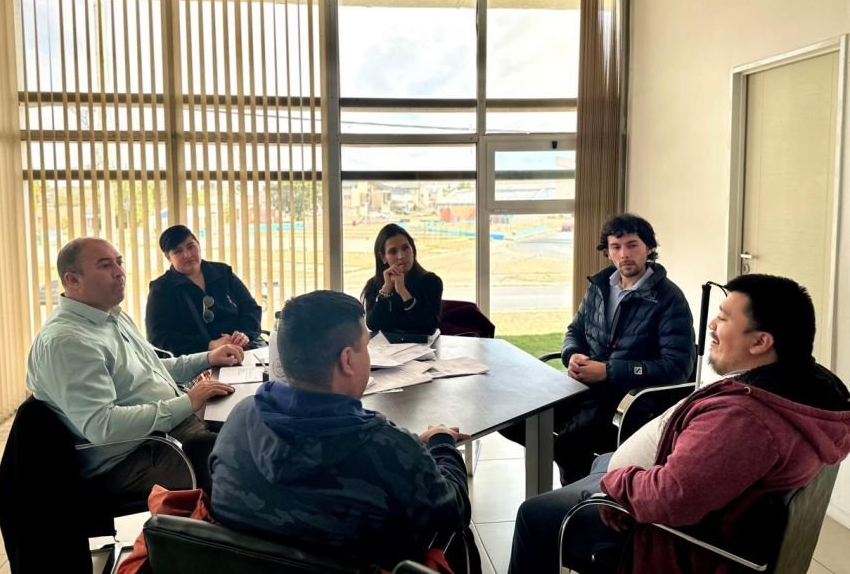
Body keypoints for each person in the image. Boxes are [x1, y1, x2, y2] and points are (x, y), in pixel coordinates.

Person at [509, 274, 850, 574]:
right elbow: (576, 332)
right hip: (658, 488)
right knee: (599, 458)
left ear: (761, 342)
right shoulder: (806, 386)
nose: (712, 326)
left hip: (663, 538)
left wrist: (619, 483)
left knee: (535, 515)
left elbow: (670, 498)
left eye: (724, 318)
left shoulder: (744, 421)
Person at [209, 290, 475, 571]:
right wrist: (441, 442)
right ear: (347, 360)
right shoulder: (389, 450)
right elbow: (454, 511)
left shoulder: (240, 420)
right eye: (366, 346)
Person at [27, 237, 244, 494]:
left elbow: (155, 369)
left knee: (247, 424)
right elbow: (103, 426)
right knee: (237, 462)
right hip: (133, 457)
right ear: (72, 280)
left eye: (119, 263)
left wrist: (208, 359)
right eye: (105, 265)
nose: (119, 273)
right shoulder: (69, 342)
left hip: (168, 431)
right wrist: (187, 402)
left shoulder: (111, 314)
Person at [502, 213, 694, 485]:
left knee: (569, 442)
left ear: (649, 248)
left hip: (629, 398)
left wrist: (608, 371)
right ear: (607, 252)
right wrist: (572, 355)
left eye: (632, 245)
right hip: (584, 388)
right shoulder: (601, 287)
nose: (624, 254)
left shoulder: (668, 299)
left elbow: (677, 367)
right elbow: (575, 332)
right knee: (512, 417)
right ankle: (573, 463)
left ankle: (575, 496)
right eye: (616, 247)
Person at [146, 224, 263, 356]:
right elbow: (158, 336)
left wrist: (244, 334)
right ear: (168, 257)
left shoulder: (223, 273)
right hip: (195, 361)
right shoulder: (161, 289)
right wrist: (210, 345)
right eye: (178, 251)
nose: (187, 254)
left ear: (199, 245)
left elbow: (251, 308)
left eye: (191, 246)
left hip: (240, 352)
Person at [361, 223, 443, 336]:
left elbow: (429, 326)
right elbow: (373, 325)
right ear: (383, 257)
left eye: (405, 248)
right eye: (393, 251)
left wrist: (403, 292)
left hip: (423, 348)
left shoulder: (431, 281)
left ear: (412, 249)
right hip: (387, 350)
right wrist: (386, 290)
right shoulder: (374, 285)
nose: (401, 256)